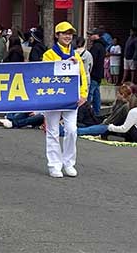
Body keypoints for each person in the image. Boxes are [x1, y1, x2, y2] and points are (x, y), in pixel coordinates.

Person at [42, 21, 88, 178]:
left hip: (71, 99)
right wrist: (64, 64)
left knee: (71, 130)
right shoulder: (48, 54)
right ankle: (54, 165)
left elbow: (82, 76)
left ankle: (69, 163)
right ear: (57, 35)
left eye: (70, 34)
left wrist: (83, 94)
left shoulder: (76, 55)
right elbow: (46, 74)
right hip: (53, 98)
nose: (68, 36)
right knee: (53, 131)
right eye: (64, 33)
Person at [87, 28, 105, 116]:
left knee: (89, 94)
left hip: (93, 73)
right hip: (99, 73)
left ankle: (87, 113)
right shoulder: (102, 46)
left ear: (96, 35)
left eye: (91, 35)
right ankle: (97, 112)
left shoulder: (95, 47)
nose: (89, 36)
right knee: (96, 94)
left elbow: (92, 61)